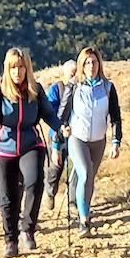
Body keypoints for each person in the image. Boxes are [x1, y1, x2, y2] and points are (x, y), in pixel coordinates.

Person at [0, 47, 64, 257]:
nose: (17, 72)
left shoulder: (35, 90)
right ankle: (10, 240)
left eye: (21, 67)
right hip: (4, 147)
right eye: (13, 67)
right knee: (8, 196)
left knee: (35, 183)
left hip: (31, 143)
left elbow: (48, 114)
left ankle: (28, 229)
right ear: (7, 69)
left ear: (27, 68)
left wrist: (60, 127)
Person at [59, 47, 123, 237]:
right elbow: (61, 114)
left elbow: (116, 116)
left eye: (94, 62)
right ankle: (83, 220)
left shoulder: (108, 87)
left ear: (99, 64)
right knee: (85, 174)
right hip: (78, 138)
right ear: (81, 65)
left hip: (98, 141)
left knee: (89, 180)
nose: (91, 66)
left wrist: (116, 141)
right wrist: (61, 132)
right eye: (87, 62)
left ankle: (82, 207)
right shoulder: (74, 86)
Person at [43, 59, 78, 211]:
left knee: (78, 167)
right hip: (57, 134)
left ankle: (74, 200)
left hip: (77, 134)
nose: (74, 76)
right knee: (56, 167)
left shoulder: (81, 89)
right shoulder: (56, 89)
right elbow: (51, 113)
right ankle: (50, 192)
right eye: (71, 73)